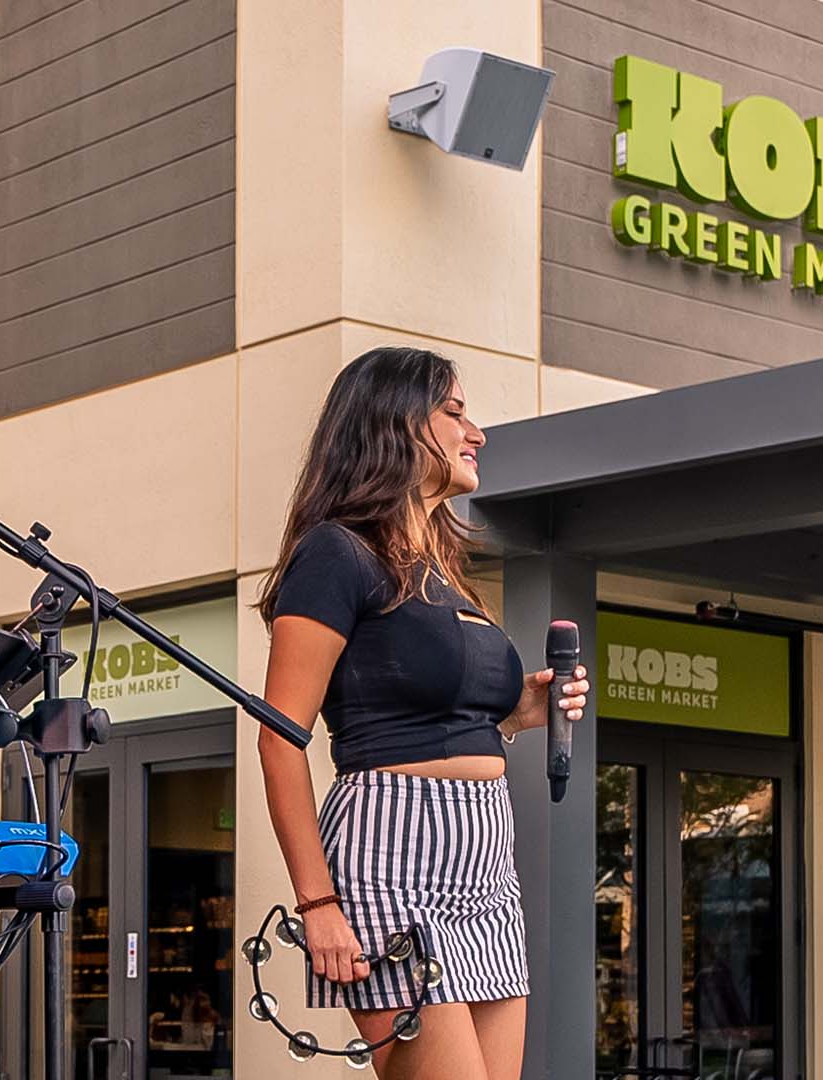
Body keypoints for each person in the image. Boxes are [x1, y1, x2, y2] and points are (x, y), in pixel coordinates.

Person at [254, 347, 590, 1080]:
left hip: (484, 861)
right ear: (399, 424)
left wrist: (519, 713)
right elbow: (279, 739)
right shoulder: (336, 556)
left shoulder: (443, 573)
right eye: (456, 412)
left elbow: (434, 709)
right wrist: (317, 903)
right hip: (390, 849)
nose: (478, 432)